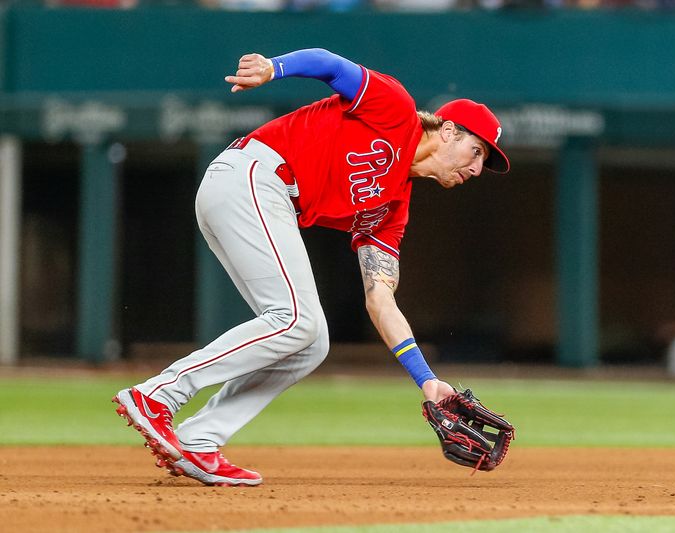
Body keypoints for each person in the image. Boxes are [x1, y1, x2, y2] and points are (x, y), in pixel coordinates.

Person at [113, 48, 510, 486]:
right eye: (476, 152)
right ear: (449, 131)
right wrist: (272, 69)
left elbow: (380, 299)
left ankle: (199, 439)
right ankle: (159, 395)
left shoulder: (392, 209)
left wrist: (427, 381)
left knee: (310, 341)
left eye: (483, 163)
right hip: (253, 175)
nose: (476, 169)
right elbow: (329, 64)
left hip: (260, 196)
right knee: (297, 320)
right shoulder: (395, 110)